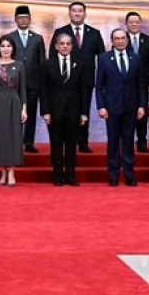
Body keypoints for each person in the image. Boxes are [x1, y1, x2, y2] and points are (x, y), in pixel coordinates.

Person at [95, 29, 146, 187]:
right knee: (113, 142)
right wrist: (101, 106)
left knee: (129, 141)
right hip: (111, 107)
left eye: (123, 38)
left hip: (131, 107)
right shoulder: (104, 58)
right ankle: (113, 175)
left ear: (127, 40)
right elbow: (99, 85)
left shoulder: (136, 58)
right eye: (117, 38)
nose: (120, 41)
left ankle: (129, 174)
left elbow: (141, 84)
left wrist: (141, 105)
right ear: (112, 41)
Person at [50, 2, 102, 153]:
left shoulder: (95, 33)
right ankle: (67, 142)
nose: (77, 13)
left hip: (86, 80)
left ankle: (83, 142)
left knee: (84, 110)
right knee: (66, 111)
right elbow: (52, 57)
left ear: (85, 14)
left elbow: (102, 58)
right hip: (65, 81)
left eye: (80, 11)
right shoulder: (61, 32)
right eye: (74, 11)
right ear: (69, 13)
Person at [42, 33, 87, 186]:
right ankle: (57, 174)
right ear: (56, 46)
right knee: (55, 144)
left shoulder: (80, 64)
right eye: (62, 43)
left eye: (68, 43)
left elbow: (84, 90)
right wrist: (45, 111)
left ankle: (70, 174)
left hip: (74, 111)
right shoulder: (47, 64)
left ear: (72, 46)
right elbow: (43, 89)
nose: (65, 46)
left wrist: (84, 113)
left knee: (71, 145)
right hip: (54, 111)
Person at [2, 6, 45, 154]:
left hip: (33, 82)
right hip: (14, 83)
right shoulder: (9, 38)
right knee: (14, 113)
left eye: (26, 18)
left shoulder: (38, 38)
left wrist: (42, 83)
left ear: (30, 19)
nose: (23, 20)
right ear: (15, 20)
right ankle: (14, 142)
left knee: (31, 113)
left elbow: (41, 62)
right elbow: (5, 61)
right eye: (20, 18)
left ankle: (29, 142)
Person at [0, 36, 27, 186]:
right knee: (1, 137)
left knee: (14, 137)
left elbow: (23, 89)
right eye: (2, 46)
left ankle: (11, 172)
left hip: (14, 102)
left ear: (13, 48)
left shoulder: (19, 65)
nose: (6, 49)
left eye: (9, 46)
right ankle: (3, 171)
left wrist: (24, 109)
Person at [126, 12, 149, 153]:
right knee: (127, 114)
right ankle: (126, 142)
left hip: (143, 84)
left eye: (136, 22)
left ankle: (142, 142)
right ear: (126, 24)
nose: (134, 24)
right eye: (131, 22)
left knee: (142, 113)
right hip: (125, 84)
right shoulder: (121, 38)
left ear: (140, 23)